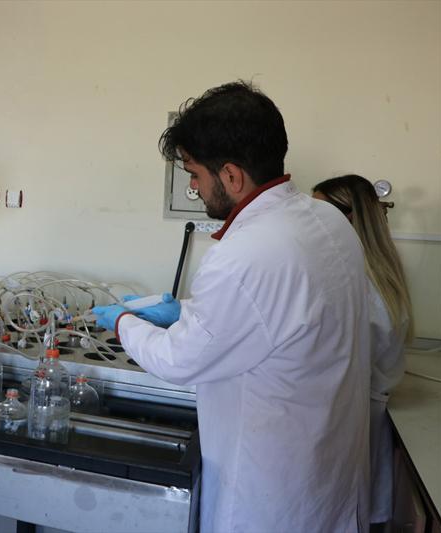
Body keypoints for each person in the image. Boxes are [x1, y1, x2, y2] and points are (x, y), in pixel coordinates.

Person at [93, 82, 372, 532]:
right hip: (326, 478)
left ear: (231, 176)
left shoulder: (242, 255)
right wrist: (185, 311)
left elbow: (178, 361)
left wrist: (124, 322)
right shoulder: (328, 221)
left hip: (268, 497)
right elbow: (274, 313)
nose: (193, 187)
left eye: (194, 174)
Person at [313, 174, 414, 527]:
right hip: (365, 417)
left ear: (349, 219)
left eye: (319, 214)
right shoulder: (378, 276)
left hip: (352, 421)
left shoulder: (358, 285)